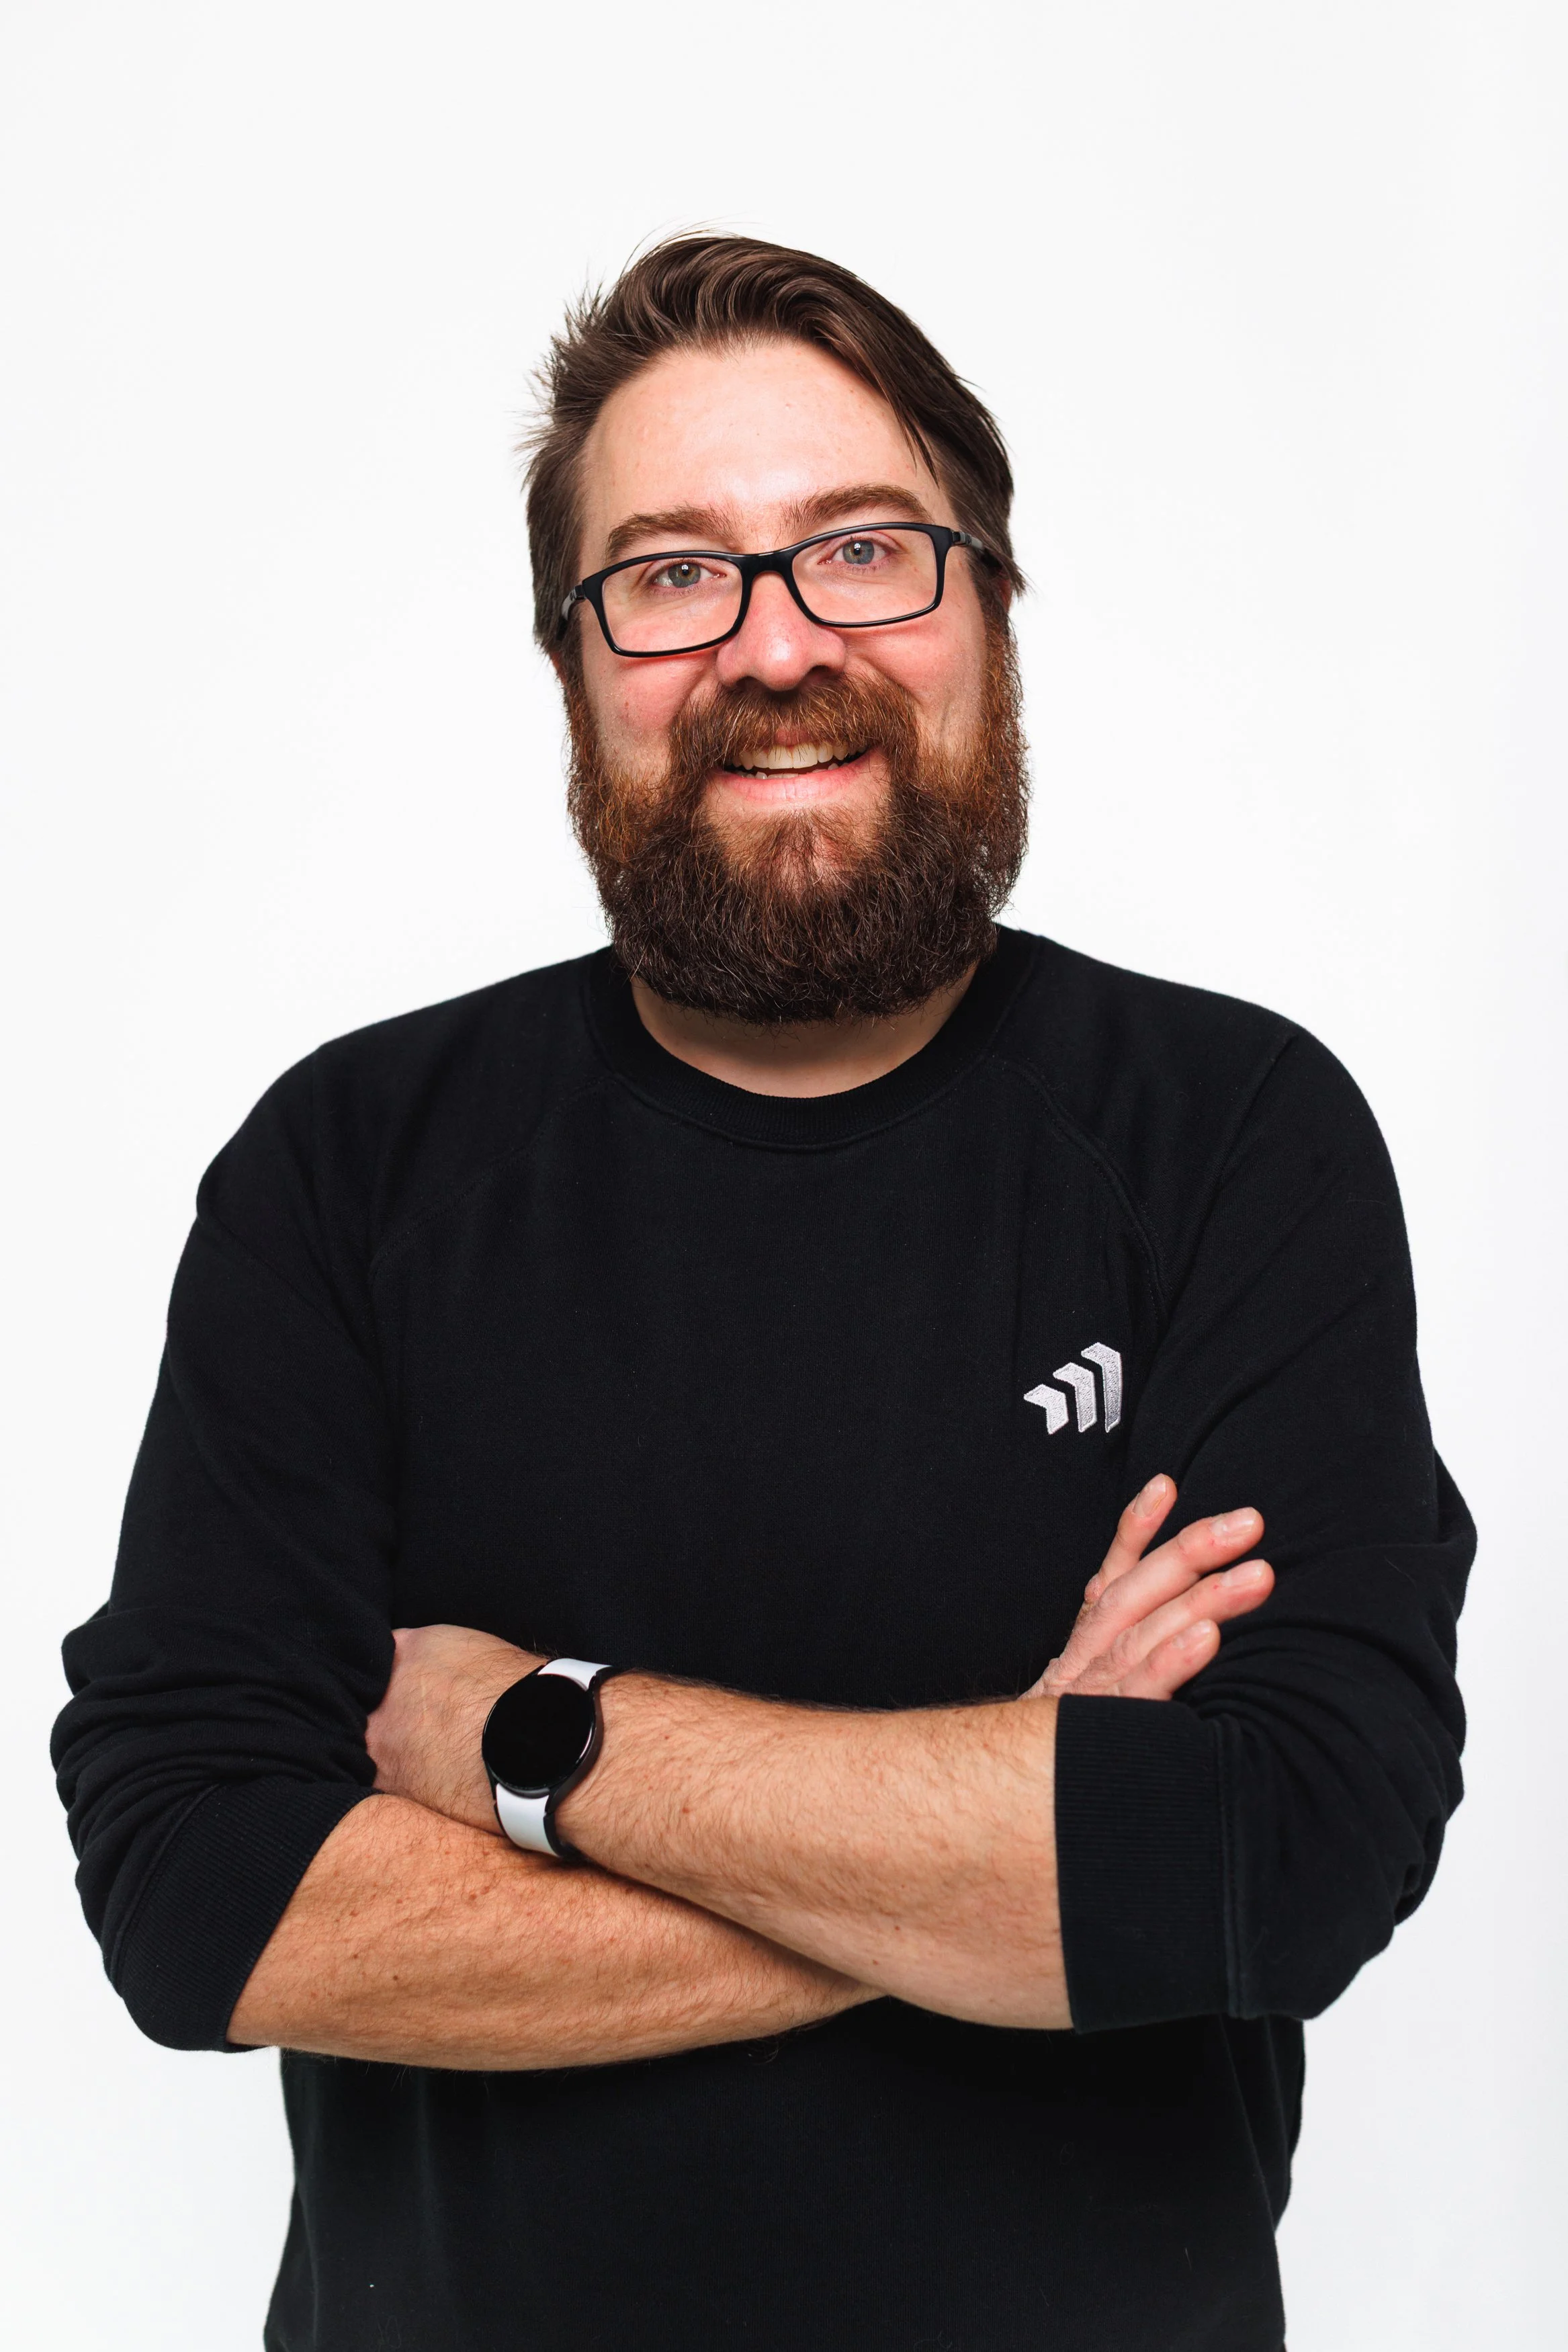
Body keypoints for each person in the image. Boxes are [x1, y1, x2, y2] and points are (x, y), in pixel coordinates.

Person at [52, 235, 1473, 2352]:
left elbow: (1280, 1858)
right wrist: (1004, 1823)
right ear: (574, 668)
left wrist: (534, 1737)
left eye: (864, 551)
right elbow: (200, 1900)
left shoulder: (1226, 1135)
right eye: (670, 575)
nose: (775, 644)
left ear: (989, 610)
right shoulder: (348, 1168)